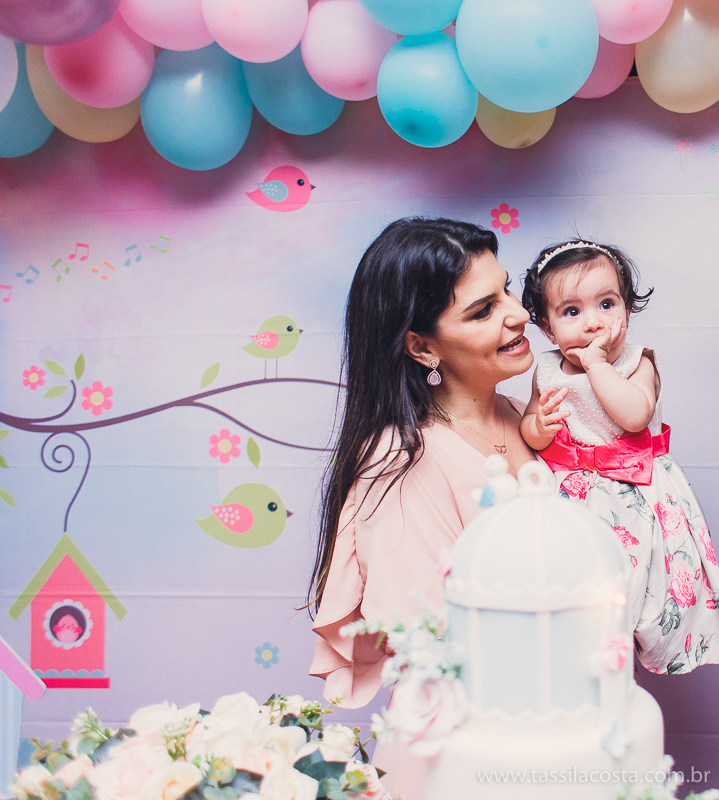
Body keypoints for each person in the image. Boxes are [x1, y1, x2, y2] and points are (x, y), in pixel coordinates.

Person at [308, 217, 538, 798]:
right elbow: (430, 641)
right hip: (461, 752)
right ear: (421, 346)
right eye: (483, 310)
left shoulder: (519, 414)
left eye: (507, 289)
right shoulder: (400, 459)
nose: (517, 314)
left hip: (542, 724)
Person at [519, 239, 719, 675]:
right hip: (574, 495)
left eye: (606, 304)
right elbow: (532, 426)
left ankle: (627, 666)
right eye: (571, 312)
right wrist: (540, 426)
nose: (593, 323)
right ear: (547, 329)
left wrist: (597, 366)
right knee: (580, 604)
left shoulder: (636, 363)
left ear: (627, 309)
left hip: (637, 494)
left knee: (643, 593)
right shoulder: (546, 370)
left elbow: (636, 416)